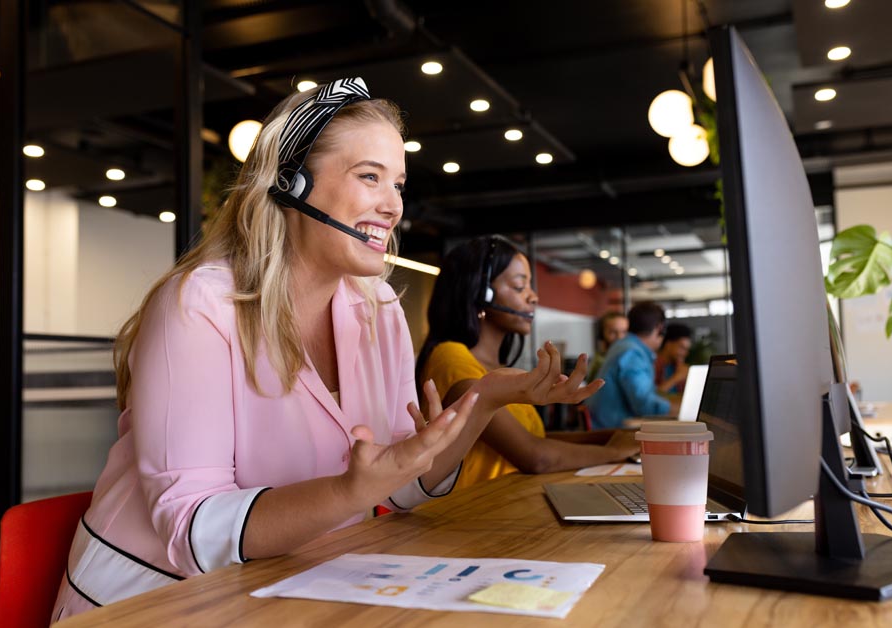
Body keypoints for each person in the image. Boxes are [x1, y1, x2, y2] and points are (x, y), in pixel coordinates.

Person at [50, 78, 597, 622]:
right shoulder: (201, 303)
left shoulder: (379, 309)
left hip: (289, 586)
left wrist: (484, 399)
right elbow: (192, 528)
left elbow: (406, 484)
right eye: (369, 177)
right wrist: (348, 491)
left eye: (399, 184)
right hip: (151, 602)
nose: (393, 206)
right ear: (291, 182)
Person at [416, 235, 640, 490]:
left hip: (511, 506)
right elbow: (535, 456)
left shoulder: (499, 367)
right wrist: (614, 452)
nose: (533, 297)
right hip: (472, 516)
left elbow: (533, 439)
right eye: (519, 287)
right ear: (480, 293)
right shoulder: (451, 358)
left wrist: (609, 438)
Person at [587, 301, 673, 429]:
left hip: (607, 427)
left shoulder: (623, 346)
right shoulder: (632, 353)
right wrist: (677, 408)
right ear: (659, 328)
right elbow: (644, 405)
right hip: (608, 433)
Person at [588, 311, 629, 380]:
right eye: (613, 332)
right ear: (602, 334)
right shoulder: (599, 362)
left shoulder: (631, 355)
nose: (620, 337)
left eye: (624, 332)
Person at [654, 323, 692, 395]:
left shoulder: (678, 366)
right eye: (682, 348)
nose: (686, 353)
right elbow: (651, 397)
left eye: (687, 349)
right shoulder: (652, 365)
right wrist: (676, 377)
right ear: (668, 344)